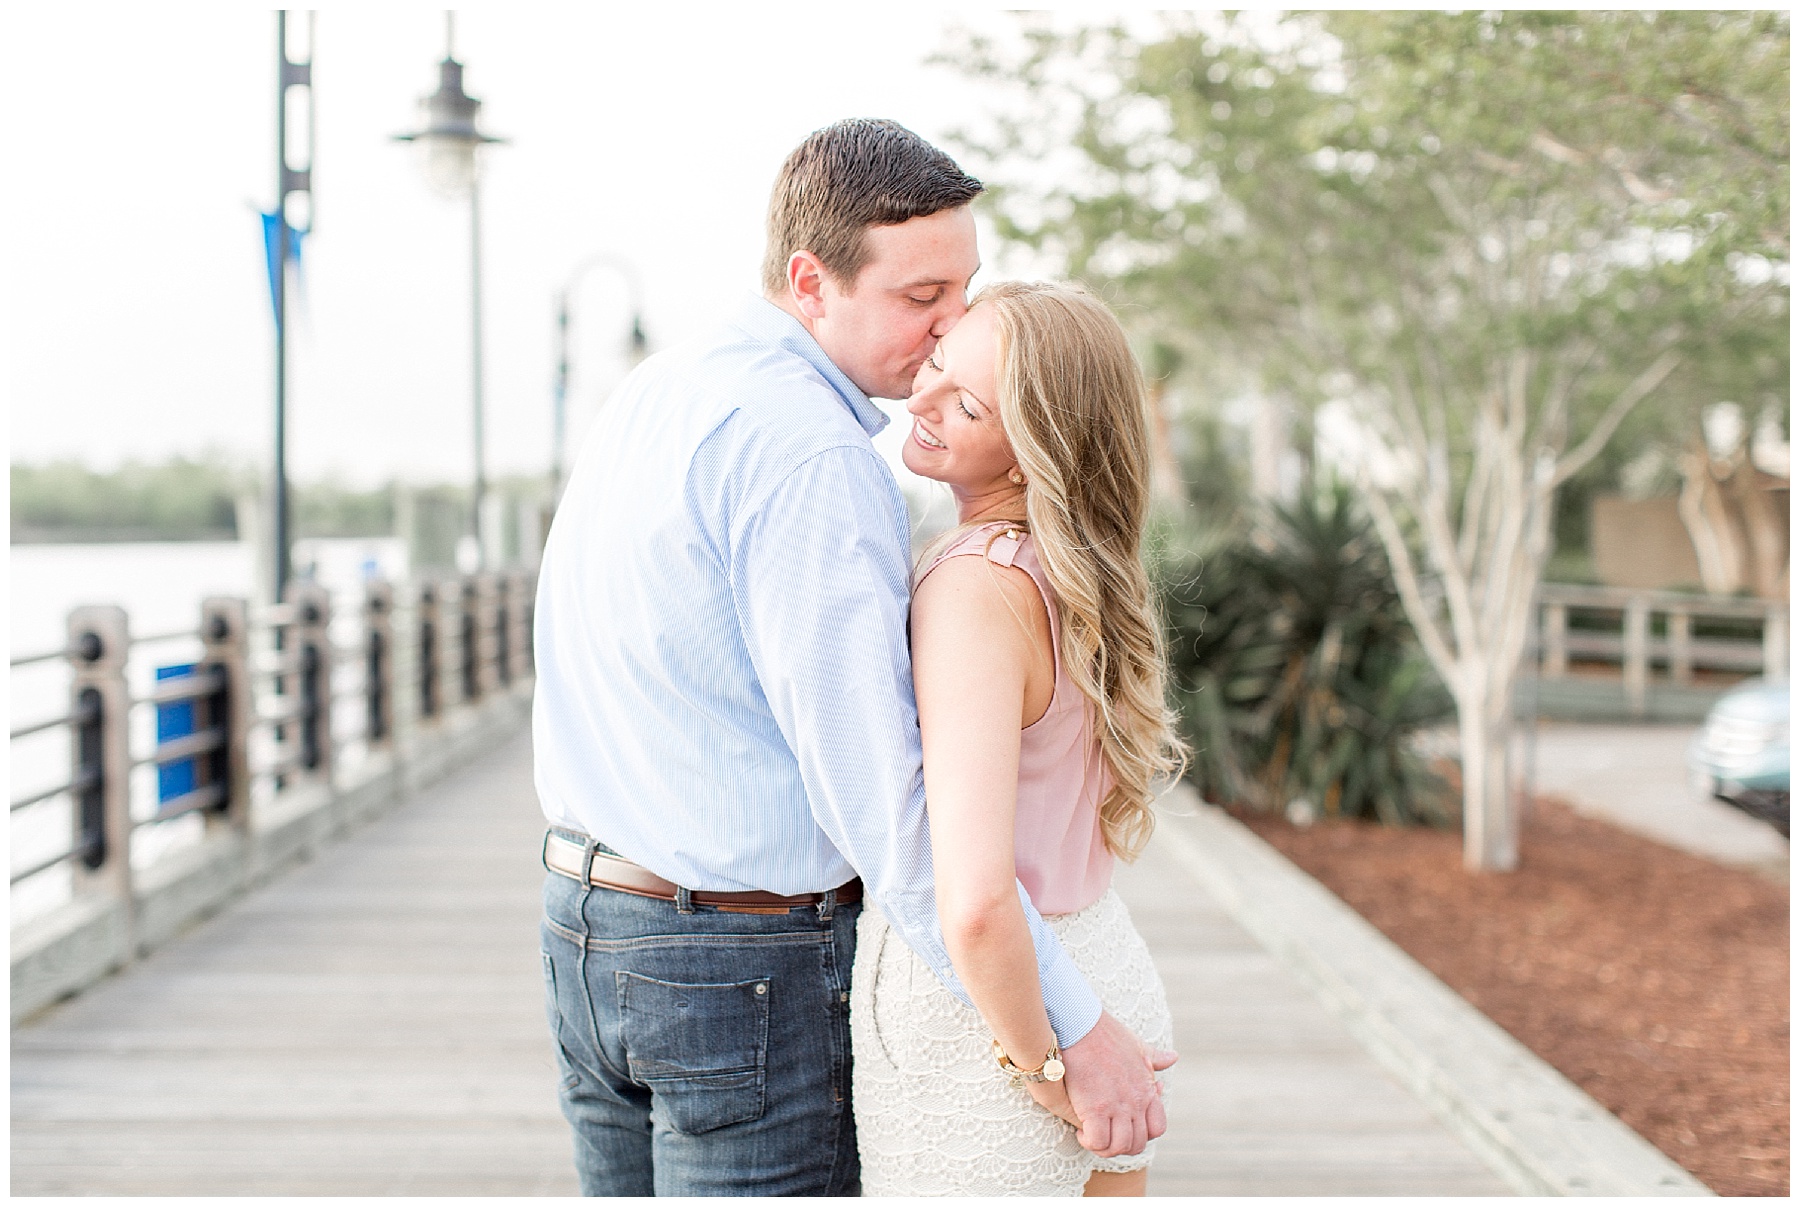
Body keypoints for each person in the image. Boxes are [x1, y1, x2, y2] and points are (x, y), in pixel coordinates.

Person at [531, 119, 1173, 1197]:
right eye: (921, 297)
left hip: (586, 925)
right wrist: (1064, 1032)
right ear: (810, 280)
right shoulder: (818, 458)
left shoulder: (662, 388)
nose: (948, 328)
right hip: (737, 970)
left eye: (963, 292)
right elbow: (889, 806)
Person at [850, 281, 1185, 1196]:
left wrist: (1043, 1067)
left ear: (1034, 455)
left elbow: (976, 898)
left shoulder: (971, 591)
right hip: (1103, 969)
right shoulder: (1071, 578)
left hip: (1001, 1016)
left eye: (964, 402)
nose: (919, 400)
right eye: (934, 366)